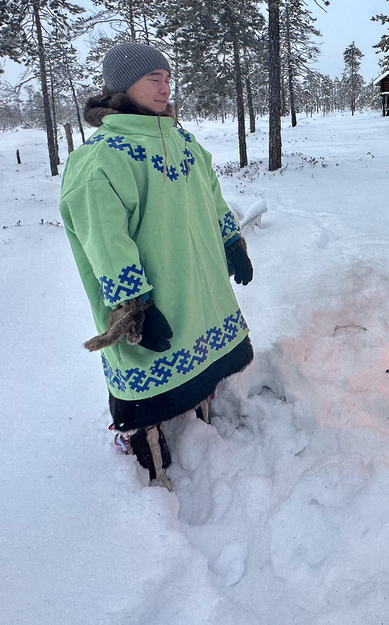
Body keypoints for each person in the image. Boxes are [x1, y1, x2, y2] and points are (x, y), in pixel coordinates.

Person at [59, 42, 254, 487]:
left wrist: (230, 240)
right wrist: (132, 306)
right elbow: (105, 241)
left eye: (168, 78)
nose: (166, 87)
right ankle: (144, 439)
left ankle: (200, 403)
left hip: (196, 279)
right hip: (154, 287)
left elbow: (211, 195)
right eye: (154, 78)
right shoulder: (100, 157)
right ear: (123, 86)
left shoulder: (182, 140)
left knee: (203, 342)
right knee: (147, 365)